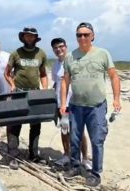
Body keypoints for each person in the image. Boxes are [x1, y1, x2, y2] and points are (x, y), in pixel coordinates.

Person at [60, 22, 121, 187]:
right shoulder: (70, 57)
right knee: (74, 139)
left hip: (96, 106)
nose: (82, 37)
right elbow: (65, 82)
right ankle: (74, 166)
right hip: (75, 106)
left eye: (86, 34)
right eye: (79, 35)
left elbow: (114, 76)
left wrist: (116, 99)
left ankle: (95, 172)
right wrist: (63, 103)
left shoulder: (103, 54)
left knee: (96, 140)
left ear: (92, 36)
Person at [4, 27, 48, 170]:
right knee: (16, 124)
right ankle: (14, 156)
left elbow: (43, 74)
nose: (29, 38)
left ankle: (33, 154)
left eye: (32, 36)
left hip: (35, 92)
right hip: (19, 92)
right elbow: (7, 73)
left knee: (36, 125)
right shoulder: (16, 53)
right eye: (27, 36)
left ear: (35, 38)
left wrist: (45, 90)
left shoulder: (41, 54)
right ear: (23, 37)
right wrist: (11, 85)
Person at [50, 38, 92, 170]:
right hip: (61, 104)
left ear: (66, 47)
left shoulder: (75, 61)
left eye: (61, 46)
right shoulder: (55, 65)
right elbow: (56, 83)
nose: (59, 50)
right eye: (56, 48)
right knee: (64, 130)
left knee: (79, 132)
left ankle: (84, 158)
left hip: (75, 103)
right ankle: (67, 155)